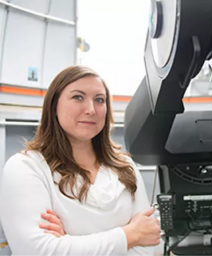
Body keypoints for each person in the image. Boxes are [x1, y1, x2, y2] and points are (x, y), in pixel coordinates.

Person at [0, 65, 160, 256]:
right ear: (54, 105)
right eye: (78, 97)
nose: (91, 109)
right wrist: (129, 236)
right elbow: (37, 252)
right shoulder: (25, 167)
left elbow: (149, 245)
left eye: (99, 100)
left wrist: (69, 242)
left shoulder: (126, 168)